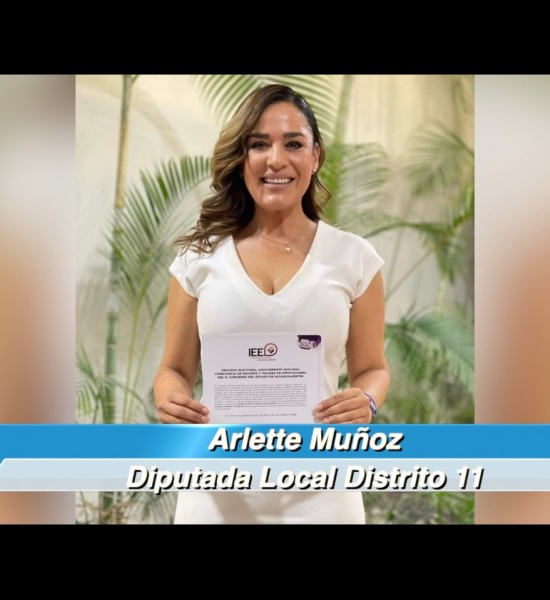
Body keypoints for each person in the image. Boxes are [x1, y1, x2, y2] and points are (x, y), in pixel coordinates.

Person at [153, 83, 390, 524]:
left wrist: (367, 401)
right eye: (259, 144)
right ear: (241, 157)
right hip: (214, 494)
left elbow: (373, 369)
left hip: (324, 493)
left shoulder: (355, 258)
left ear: (315, 156)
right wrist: (170, 399)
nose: (276, 159)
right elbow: (174, 370)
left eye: (293, 144)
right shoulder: (198, 260)